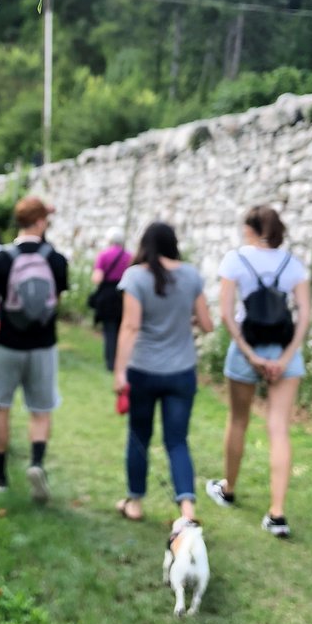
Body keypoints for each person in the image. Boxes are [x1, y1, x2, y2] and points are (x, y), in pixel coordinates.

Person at [206, 205, 311, 539]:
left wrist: (250, 355)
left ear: (250, 229)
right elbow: (305, 316)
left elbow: (225, 313)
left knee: (238, 420)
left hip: (246, 349)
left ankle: (229, 488)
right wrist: (286, 357)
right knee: (279, 427)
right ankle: (277, 513)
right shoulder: (293, 264)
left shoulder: (236, 259)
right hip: (284, 352)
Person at [111, 222, 212, 524]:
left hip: (143, 369)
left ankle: (135, 502)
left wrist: (119, 372)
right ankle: (187, 509)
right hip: (181, 371)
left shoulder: (135, 277)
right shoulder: (192, 276)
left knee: (139, 435)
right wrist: (184, 321)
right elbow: (207, 324)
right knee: (177, 440)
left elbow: (130, 327)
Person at [0, 196, 68, 503]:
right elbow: (57, 305)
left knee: (1, 407)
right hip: (42, 346)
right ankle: (37, 463)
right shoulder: (56, 259)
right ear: (41, 222)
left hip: (7, 344)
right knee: (41, 411)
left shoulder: (2, 258)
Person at [90, 227, 132, 370]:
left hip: (107, 295)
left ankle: (110, 363)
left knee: (109, 330)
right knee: (122, 329)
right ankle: (122, 361)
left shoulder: (103, 255)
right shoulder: (129, 256)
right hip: (123, 295)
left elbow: (97, 278)